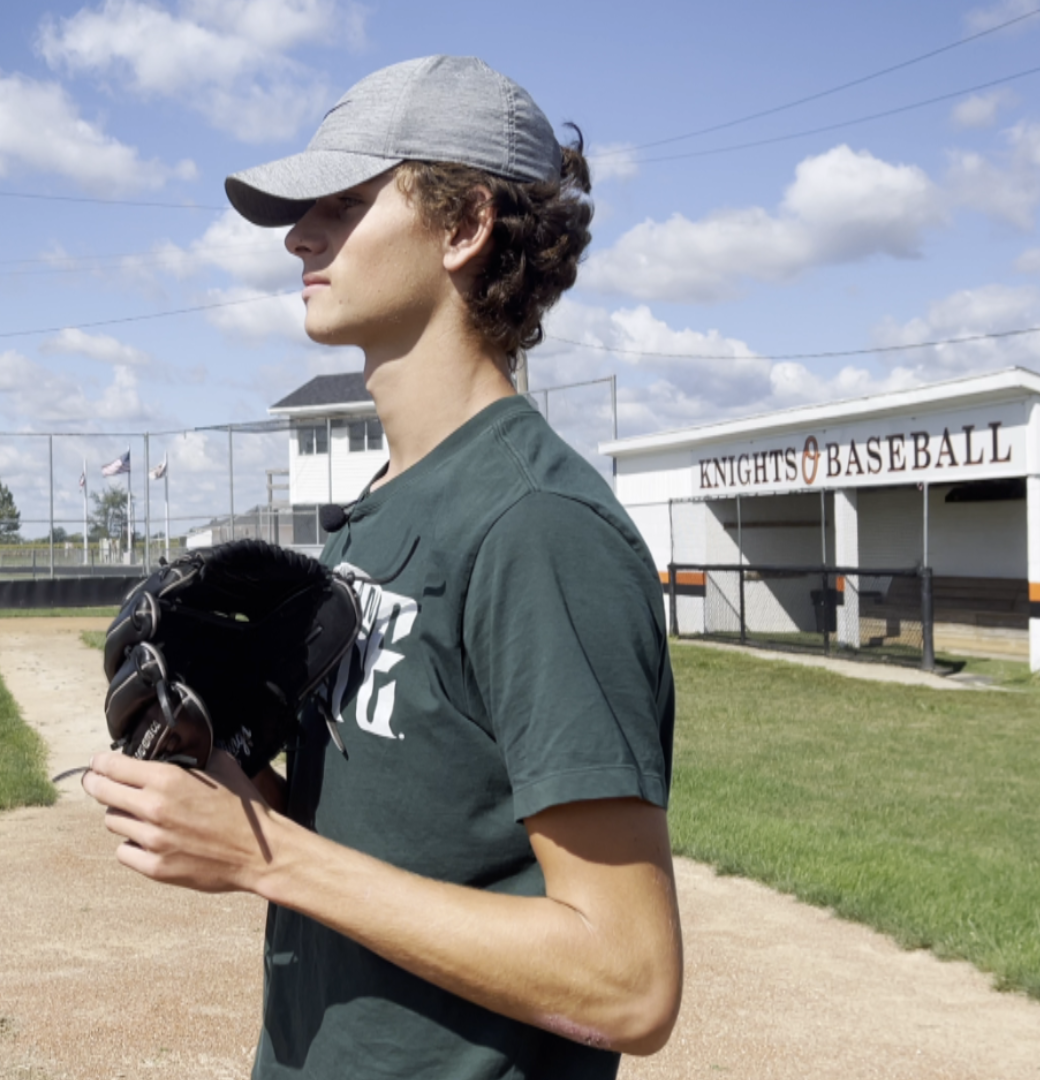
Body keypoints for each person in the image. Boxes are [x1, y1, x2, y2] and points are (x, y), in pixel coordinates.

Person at [79, 56, 682, 1078]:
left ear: (464, 227)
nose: (298, 235)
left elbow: (629, 979)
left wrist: (265, 857)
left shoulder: (536, 526)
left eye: (347, 203)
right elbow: (398, 855)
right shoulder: (379, 512)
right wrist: (244, 800)